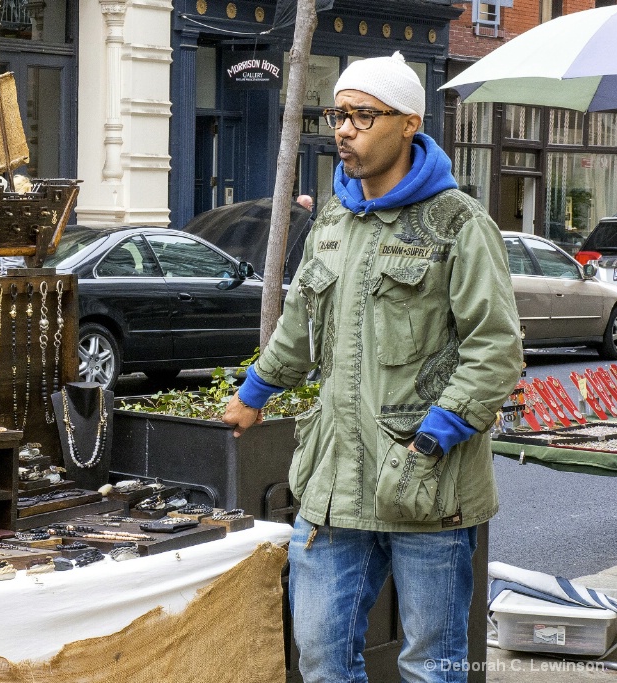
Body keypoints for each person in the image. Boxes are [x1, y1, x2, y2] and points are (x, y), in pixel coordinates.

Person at [221, 52, 523, 682]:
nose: (344, 129)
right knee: (324, 660)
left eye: (362, 114)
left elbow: (495, 348)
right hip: (334, 485)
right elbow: (301, 321)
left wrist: (436, 434)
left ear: (409, 123)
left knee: (431, 668)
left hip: (426, 484)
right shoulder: (333, 219)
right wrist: (255, 390)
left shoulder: (458, 224)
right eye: (339, 114)